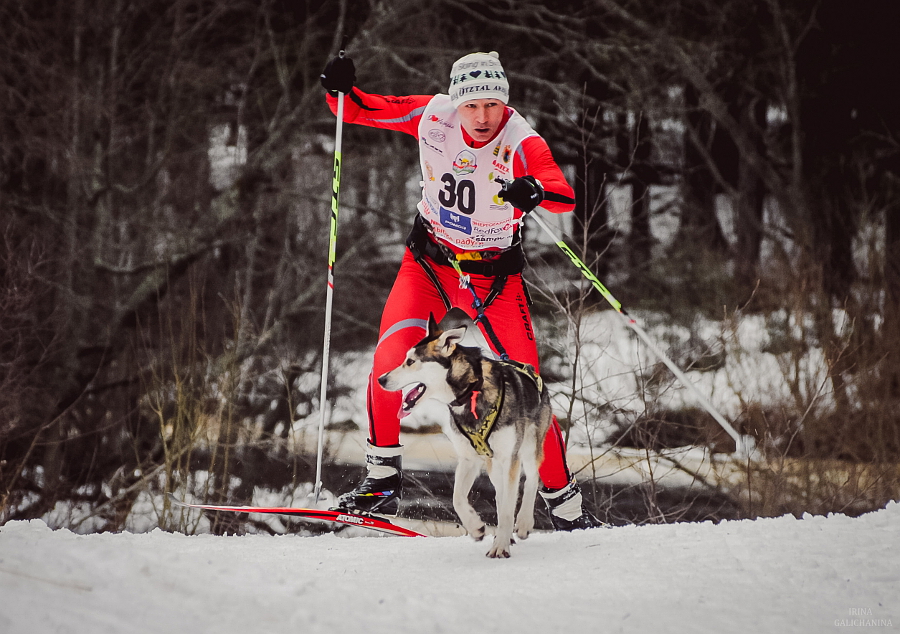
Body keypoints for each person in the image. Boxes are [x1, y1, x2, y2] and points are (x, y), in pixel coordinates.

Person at [320, 50, 597, 530]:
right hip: (429, 264)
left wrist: (534, 190)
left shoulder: (520, 137)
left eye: (492, 105)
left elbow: (561, 189)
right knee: (390, 360)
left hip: (493, 280)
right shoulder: (433, 115)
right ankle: (381, 482)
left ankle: (566, 507)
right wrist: (337, 87)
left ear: (504, 104)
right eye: (472, 106)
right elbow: (356, 107)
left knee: (528, 391)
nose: (483, 117)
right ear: (457, 102)